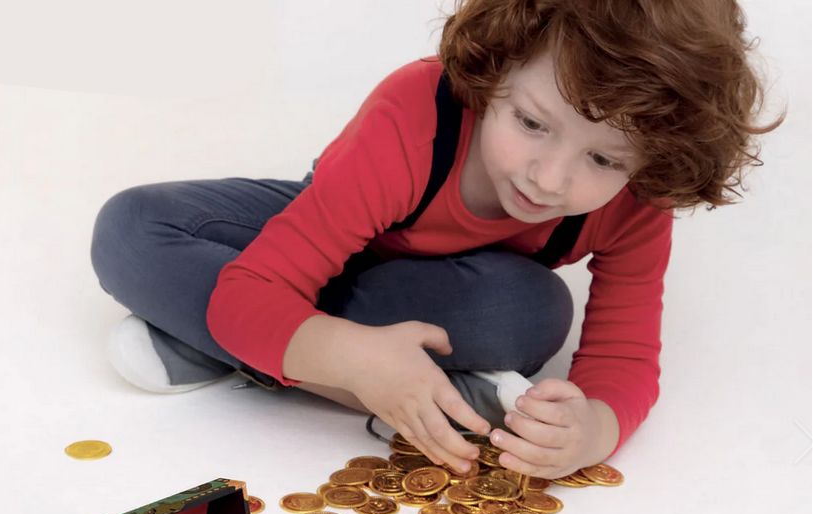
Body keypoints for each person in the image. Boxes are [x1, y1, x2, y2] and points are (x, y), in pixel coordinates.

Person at [90, 0, 781, 478]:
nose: (548, 178)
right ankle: (389, 381)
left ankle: (223, 339)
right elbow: (267, 276)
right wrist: (354, 361)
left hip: (440, 295)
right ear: (497, 67)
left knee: (530, 312)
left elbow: (624, 355)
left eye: (603, 160)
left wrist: (591, 431)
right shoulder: (414, 113)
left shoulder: (638, 200)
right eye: (533, 123)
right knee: (132, 228)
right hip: (333, 228)